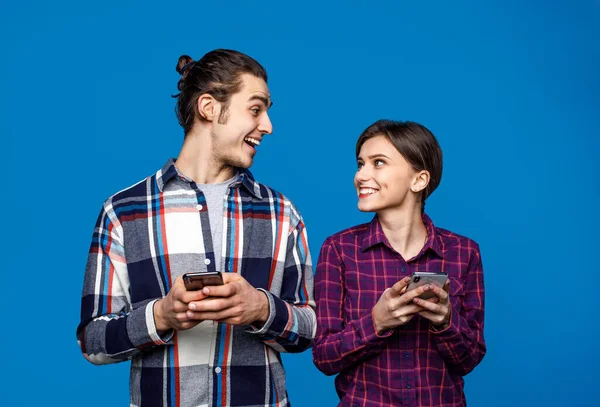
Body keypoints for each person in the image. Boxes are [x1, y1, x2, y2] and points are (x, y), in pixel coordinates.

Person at [77, 49, 316, 407]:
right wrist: (161, 315)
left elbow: (311, 327)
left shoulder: (282, 213)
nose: (268, 125)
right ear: (208, 107)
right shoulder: (123, 212)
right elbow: (92, 341)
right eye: (255, 109)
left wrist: (260, 309)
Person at [312, 120, 486, 407]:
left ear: (418, 180)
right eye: (360, 164)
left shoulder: (464, 253)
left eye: (378, 163)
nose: (361, 175)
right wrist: (377, 322)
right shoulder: (339, 249)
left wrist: (446, 321)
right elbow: (324, 357)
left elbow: (469, 359)